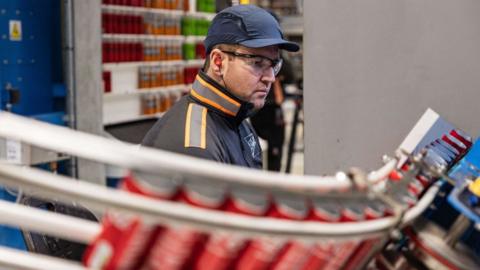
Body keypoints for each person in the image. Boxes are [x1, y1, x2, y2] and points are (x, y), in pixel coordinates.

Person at [142, 4, 299, 169]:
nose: (271, 78)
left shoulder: (237, 117)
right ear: (218, 62)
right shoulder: (195, 149)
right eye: (257, 63)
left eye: (274, 64)